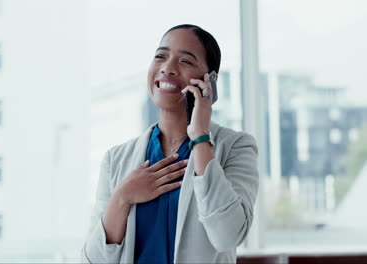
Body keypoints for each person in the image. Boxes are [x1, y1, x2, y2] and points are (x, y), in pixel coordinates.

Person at [81, 24, 259, 264]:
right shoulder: (116, 159)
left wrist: (200, 137)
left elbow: (227, 236)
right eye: (160, 56)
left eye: (185, 61)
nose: (167, 67)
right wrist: (122, 196)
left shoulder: (236, 147)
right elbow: (93, 260)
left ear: (211, 80)